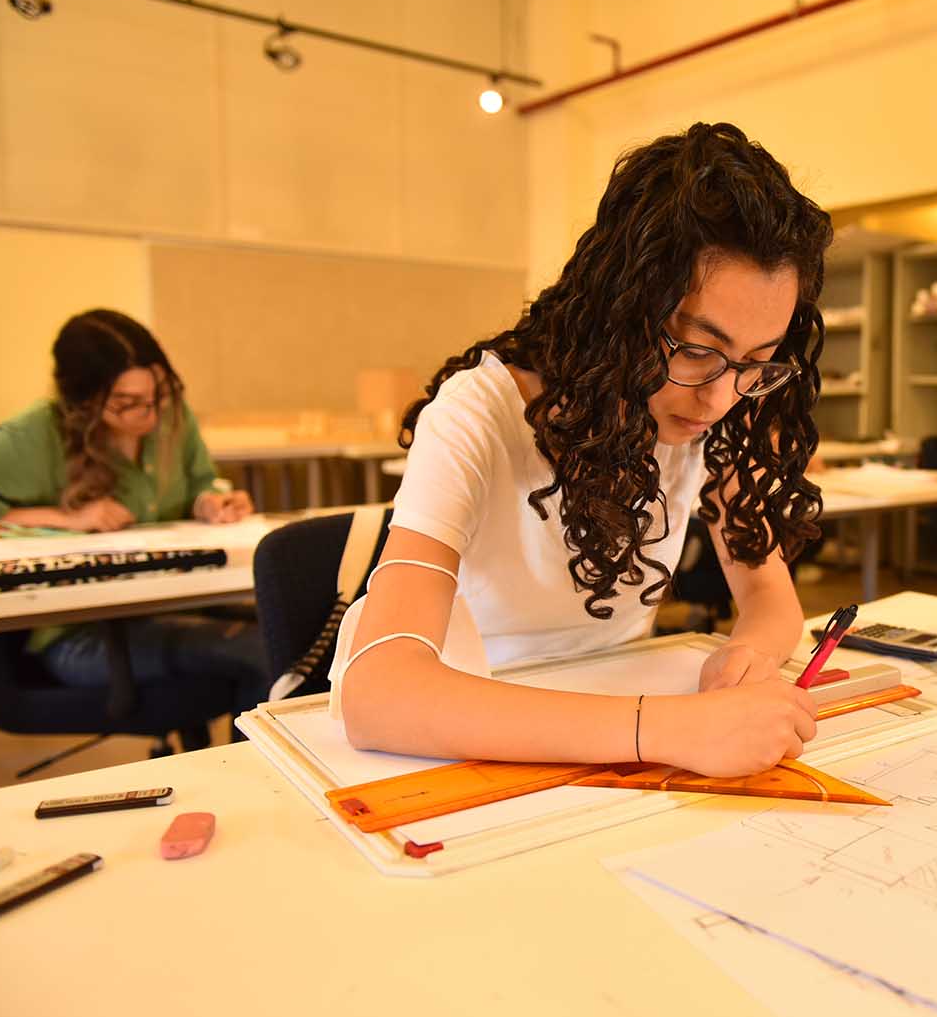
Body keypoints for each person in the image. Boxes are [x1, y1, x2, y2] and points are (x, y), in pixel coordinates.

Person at [337, 123, 831, 776]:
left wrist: (749, 660)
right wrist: (664, 727)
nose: (720, 398)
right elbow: (380, 695)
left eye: (755, 364)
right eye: (693, 348)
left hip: (621, 727)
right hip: (478, 733)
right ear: (621, 308)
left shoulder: (712, 413)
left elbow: (771, 602)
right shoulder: (477, 410)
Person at [0, 308, 270, 717]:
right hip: (82, 634)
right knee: (259, 653)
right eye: (127, 403)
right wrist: (67, 520)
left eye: (158, 396)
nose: (149, 415)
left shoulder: (169, 419)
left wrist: (211, 502)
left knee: (293, 642)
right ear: (83, 400)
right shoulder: (32, 438)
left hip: (174, 606)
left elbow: (201, 481)